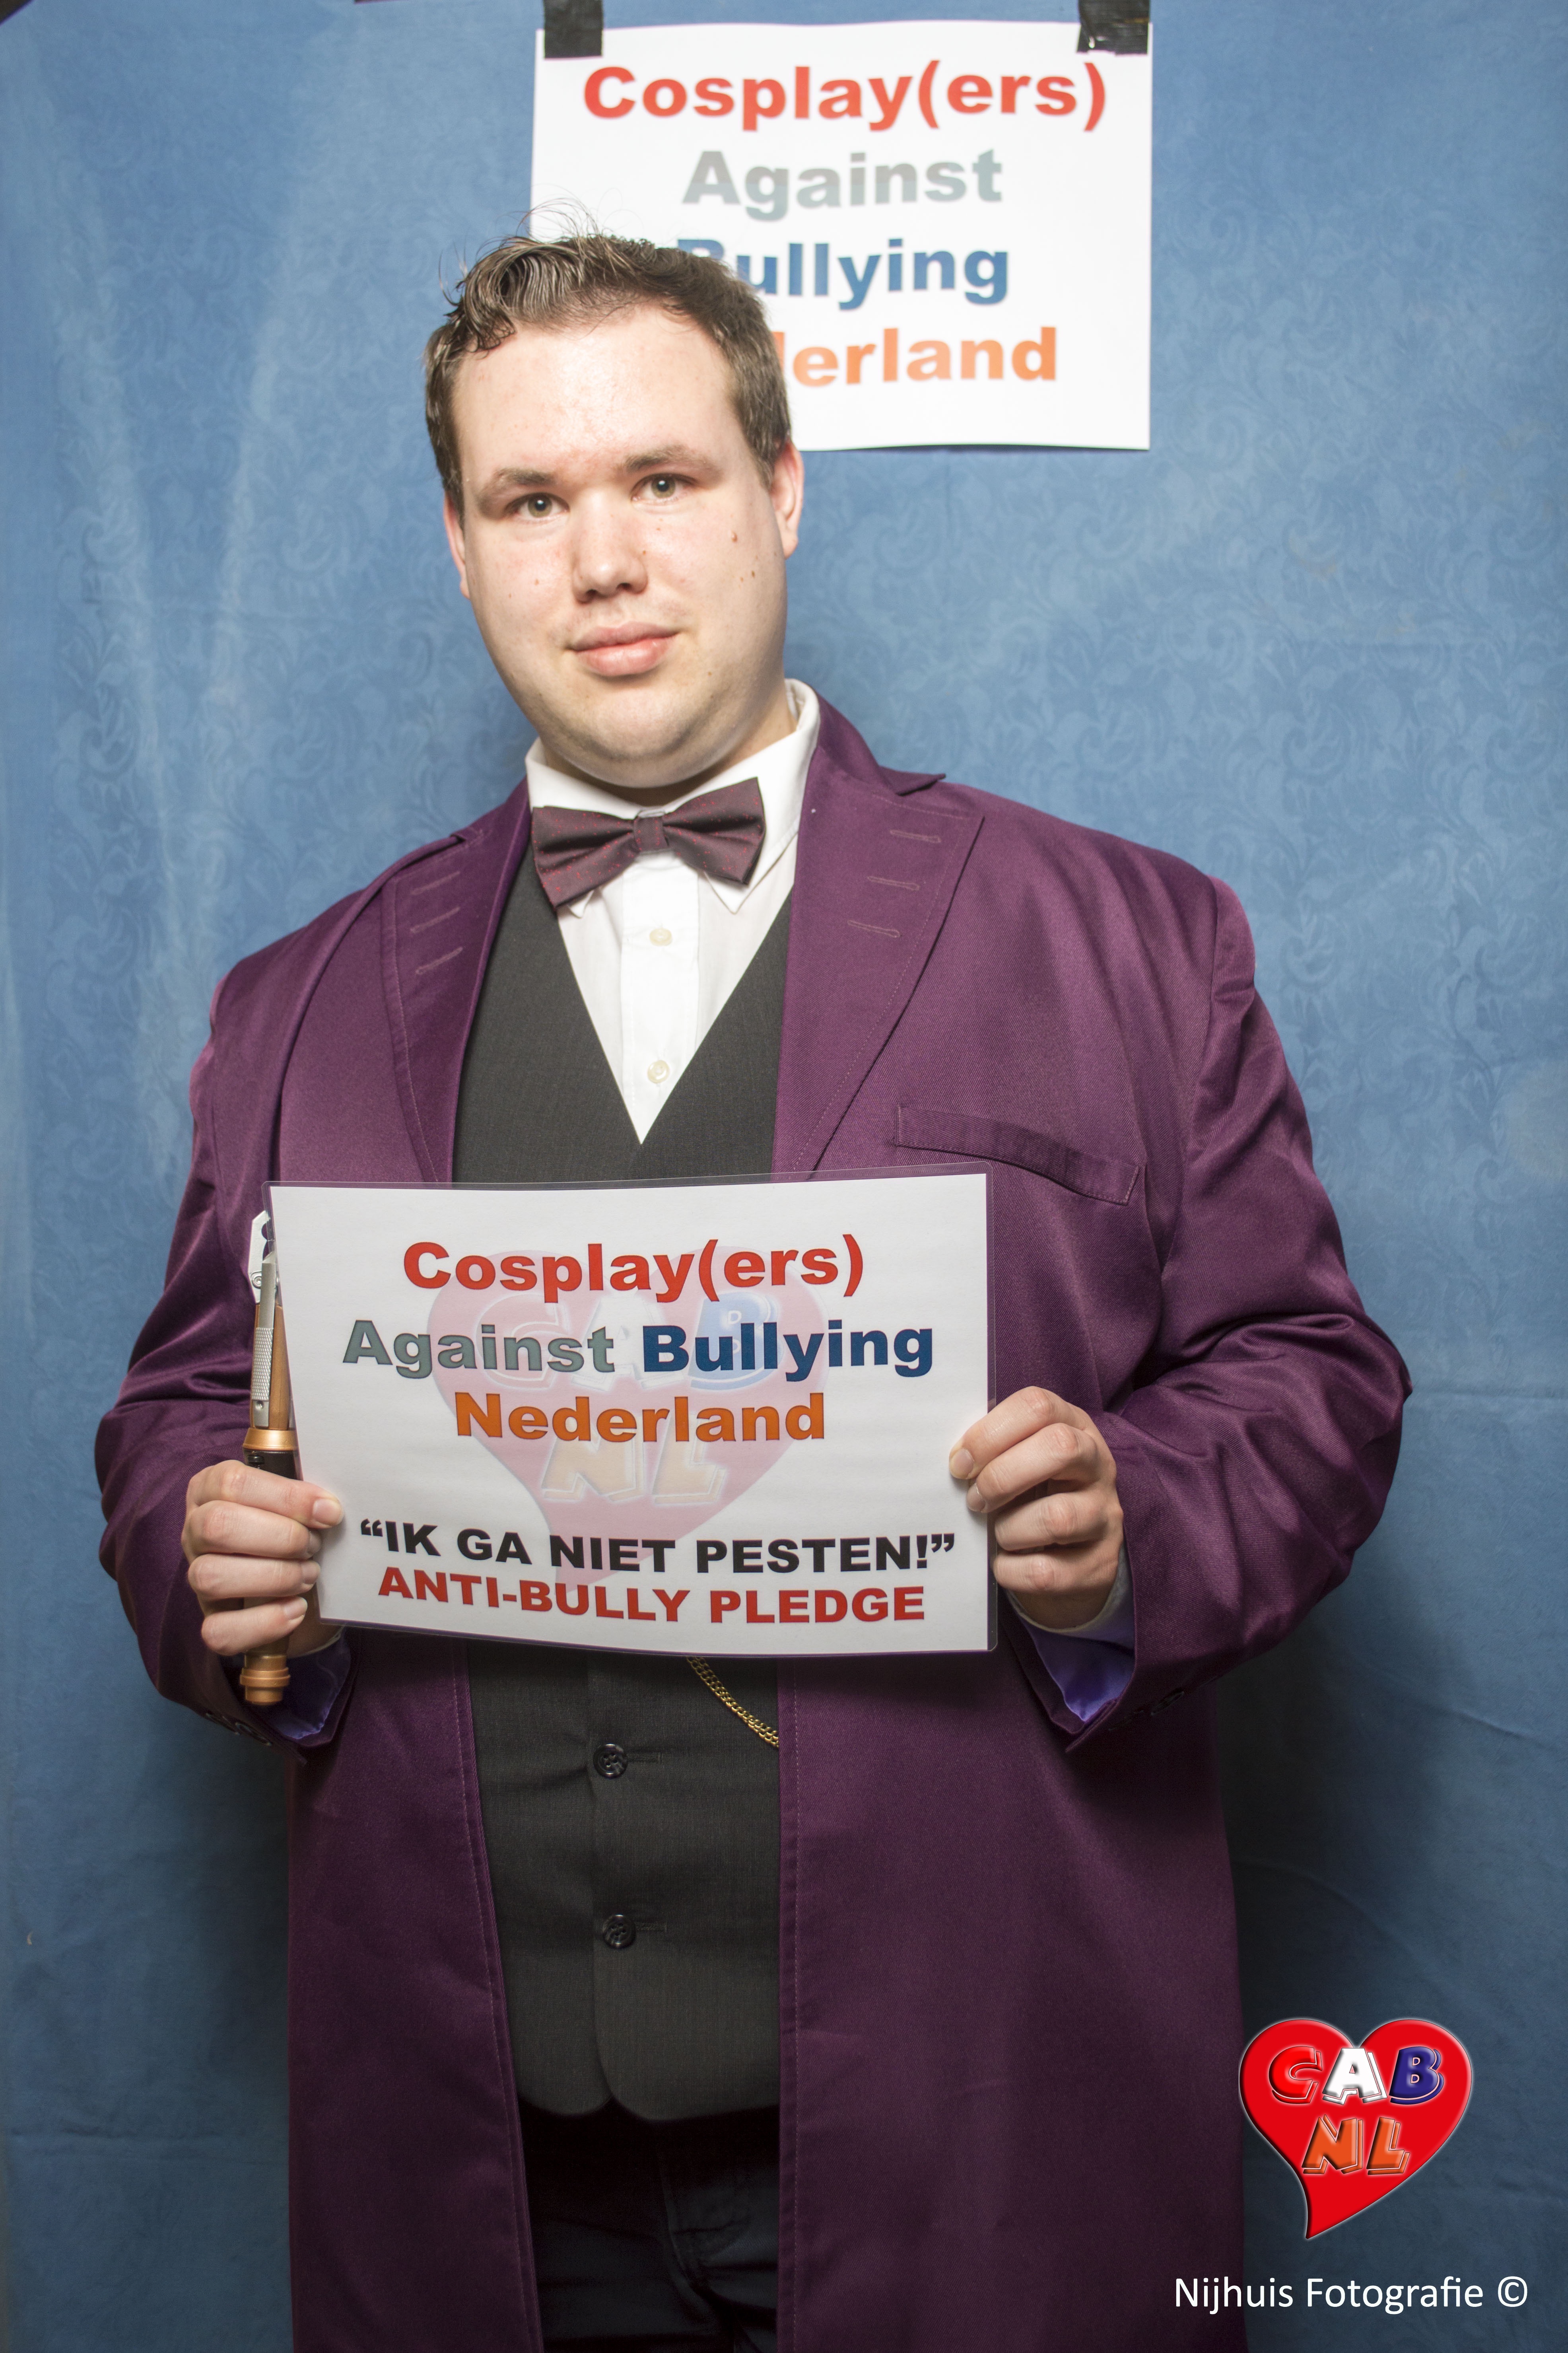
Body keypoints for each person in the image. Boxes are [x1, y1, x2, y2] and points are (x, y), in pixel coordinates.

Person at [97, 233, 1408, 2353]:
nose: (603, 558)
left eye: (663, 479)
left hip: (983, 2114)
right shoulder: (296, 1002)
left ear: (780, 491)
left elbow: (1309, 1376)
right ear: (459, 548)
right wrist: (207, 1545)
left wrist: (1130, 1520)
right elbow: (179, 1413)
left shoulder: (1129, 938)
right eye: (532, 499)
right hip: (481, 2164)